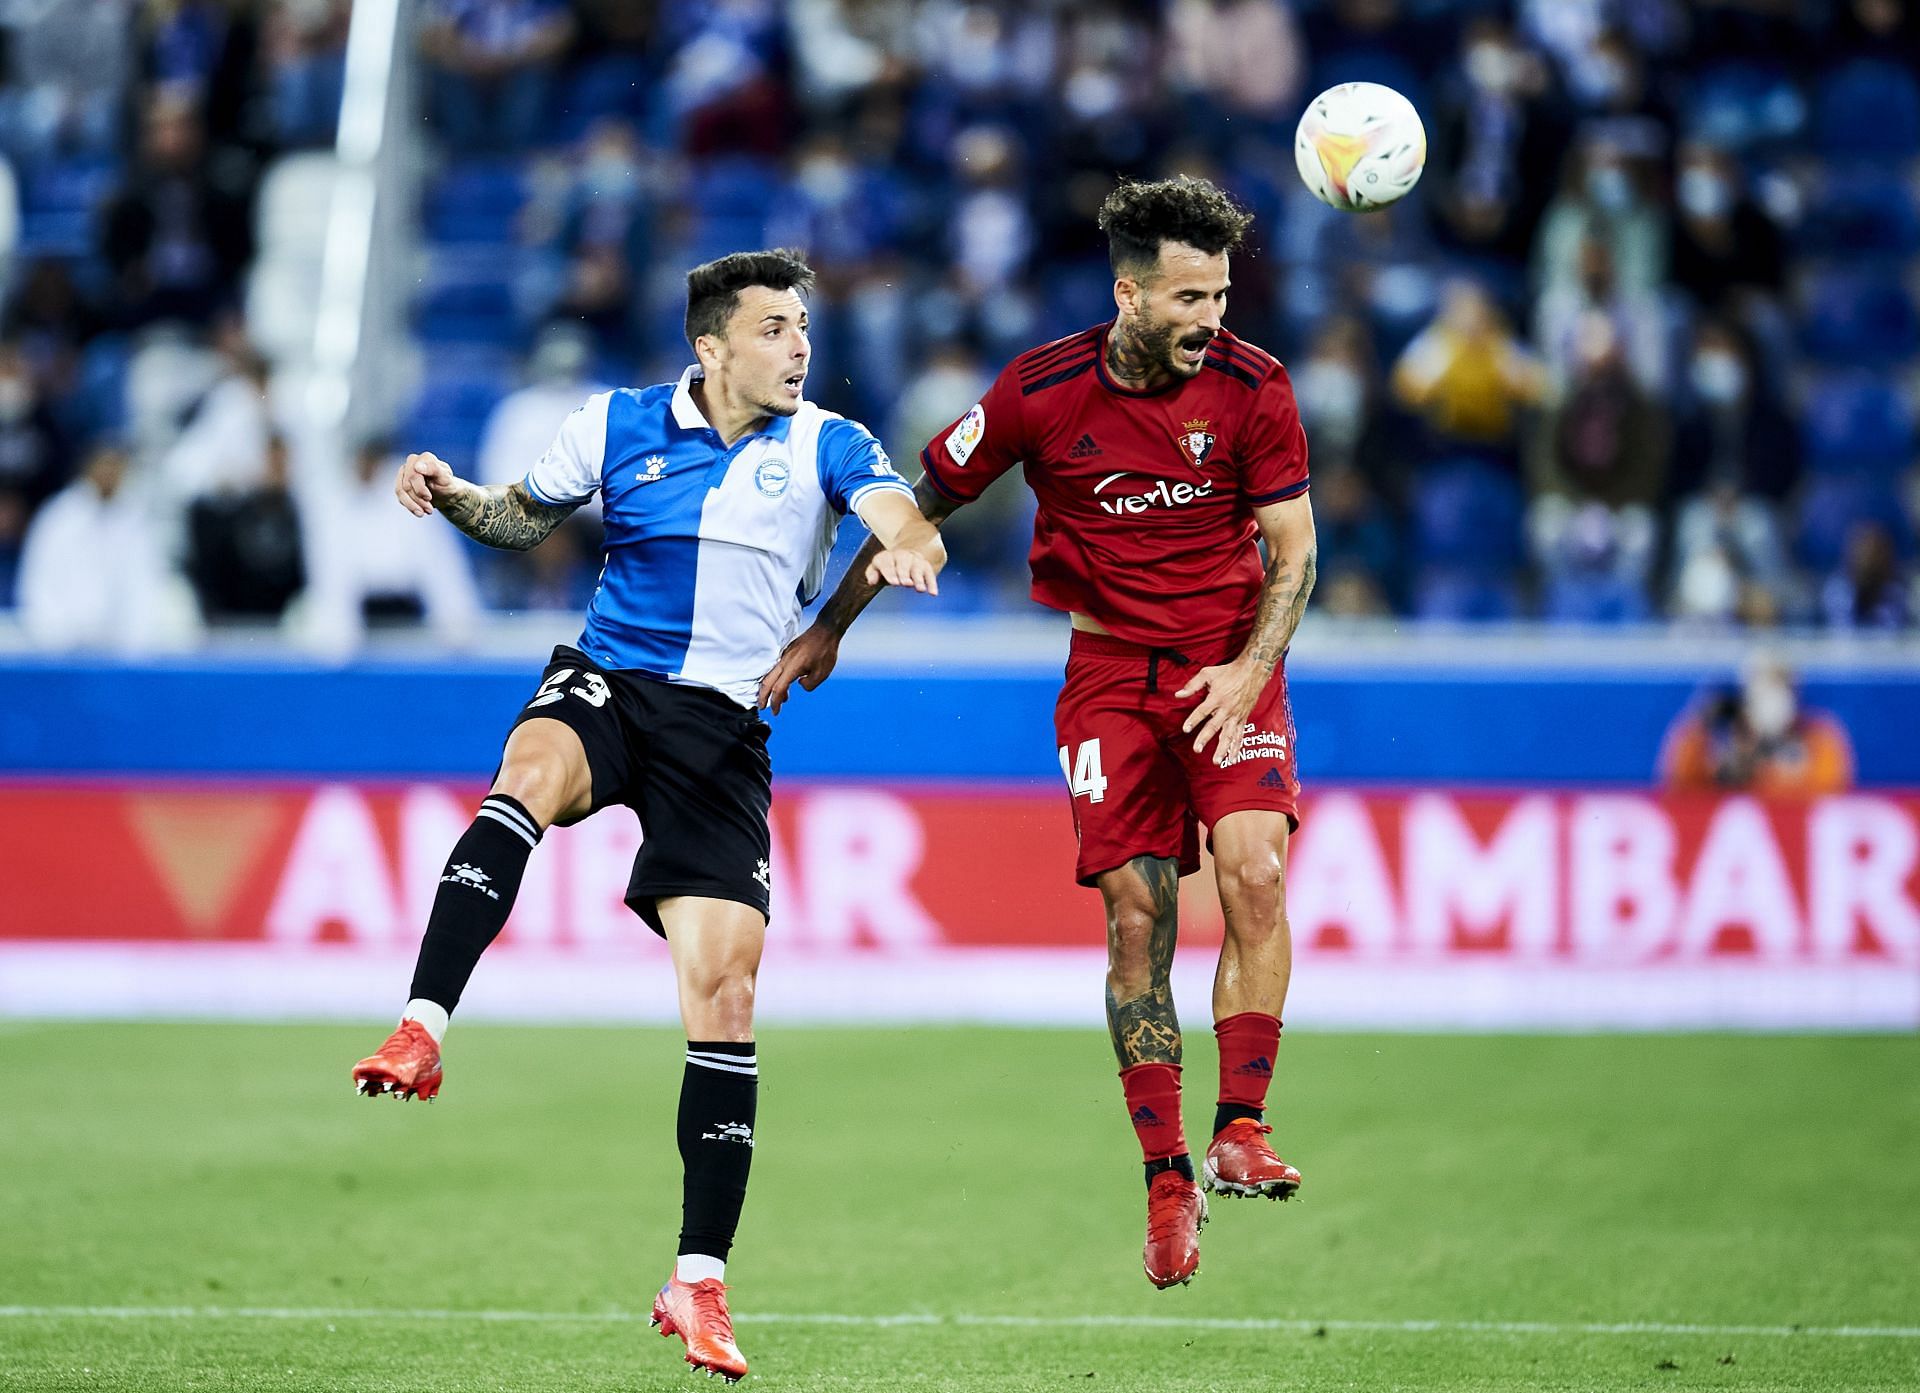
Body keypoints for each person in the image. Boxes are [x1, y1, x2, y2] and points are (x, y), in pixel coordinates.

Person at [348, 250, 945, 1383]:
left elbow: (898, 517)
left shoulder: (824, 441)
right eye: (774, 328)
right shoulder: (615, 421)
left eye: (804, 327)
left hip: (722, 734)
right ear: (710, 347)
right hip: (613, 683)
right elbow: (523, 521)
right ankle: (423, 1023)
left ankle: (700, 1281)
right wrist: (453, 493)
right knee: (527, 769)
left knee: (725, 992)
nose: (799, 347)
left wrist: (899, 555)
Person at [763, 178, 1316, 1291]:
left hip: (1231, 665)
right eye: (1187, 296)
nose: (1211, 317)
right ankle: (1167, 1177)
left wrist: (1248, 671)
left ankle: (1241, 1123)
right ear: (1128, 292)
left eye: (1219, 293)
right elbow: (917, 502)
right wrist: (829, 630)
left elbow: (1295, 556)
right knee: (1135, 919)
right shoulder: (1040, 390)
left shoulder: (1257, 387)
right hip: (1108, 674)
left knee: (1255, 872)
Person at [1661, 657, 1855, 796]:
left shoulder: (1818, 736)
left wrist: (1768, 765)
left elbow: (1828, 794)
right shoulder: (1729, 738)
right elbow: (1682, 787)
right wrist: (1702, 723)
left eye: (1777, 685)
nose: (1769, 697)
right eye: (1759, 687)